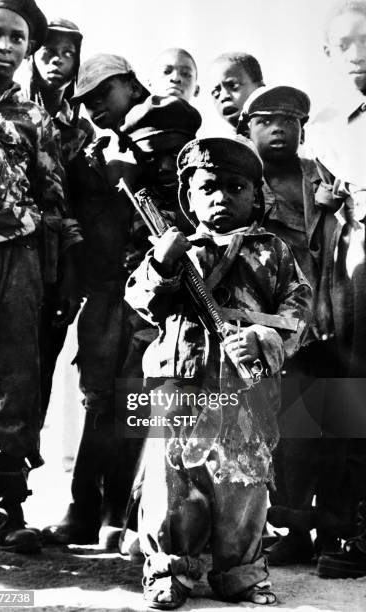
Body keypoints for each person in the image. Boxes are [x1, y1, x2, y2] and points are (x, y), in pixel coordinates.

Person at [125, 137, 312, 608]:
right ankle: (170, 569)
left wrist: (264, 340)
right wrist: (161, 263)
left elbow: (299, 311)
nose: (221, 198)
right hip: (181, 381)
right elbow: (142, 304)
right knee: (172, 482)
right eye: (208, 188)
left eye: (236, 188)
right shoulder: (173, 249)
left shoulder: (273, 251)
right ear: (188, 197)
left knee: (242, 483)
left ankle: (242, 573)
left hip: (245, 387)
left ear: (256, 195)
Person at [0, 0, 68, 553]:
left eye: (18, 39)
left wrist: (45, 275)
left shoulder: (34, 119)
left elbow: (52, 200)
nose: (4, 46)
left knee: (16, 388)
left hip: (17, 262)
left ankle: (6, 510)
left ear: (28, 51)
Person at [42, 53, 151, 548]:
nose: (93, 107)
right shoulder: (86, 151)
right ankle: (83, 508)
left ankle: (118, 513)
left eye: (103, 94)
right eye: (84, 101)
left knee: (137, 402)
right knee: (98, 400)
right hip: (104, 294)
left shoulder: (171, 140)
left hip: (153, 295)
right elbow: (74, 221)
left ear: (131, 86)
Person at [238, 85, 342, 564]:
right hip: (268, 328)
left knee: (329, 426)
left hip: (327, 321)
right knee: (280, 434)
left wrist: (330, 205)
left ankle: (332, 531)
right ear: (246, 127)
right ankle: (289, 528)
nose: (279, 128)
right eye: (265, 119)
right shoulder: (237, 180)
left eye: (289, 119)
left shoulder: (320, 176)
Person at [305, 0, 366, 579]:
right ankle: (345, 531)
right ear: (328, 54)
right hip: (352, 274)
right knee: (350, 395)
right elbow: (323, 223)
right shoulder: (322, 127)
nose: (358, 55)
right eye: (344, 45)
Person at [25, 17, 92, 426]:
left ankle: (11, 484)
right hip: (1, 254)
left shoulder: (82, 129)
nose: (59, 59)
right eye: (51, 49)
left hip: (53, 263)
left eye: (70, 53)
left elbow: (77, 206)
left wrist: (70, 273)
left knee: (36, 377)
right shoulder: (8, 106)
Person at [209, 51, 264, 131]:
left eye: (233, 85)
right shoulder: (220, 143)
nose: (223, 97)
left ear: (259, 88)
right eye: (216, 92)